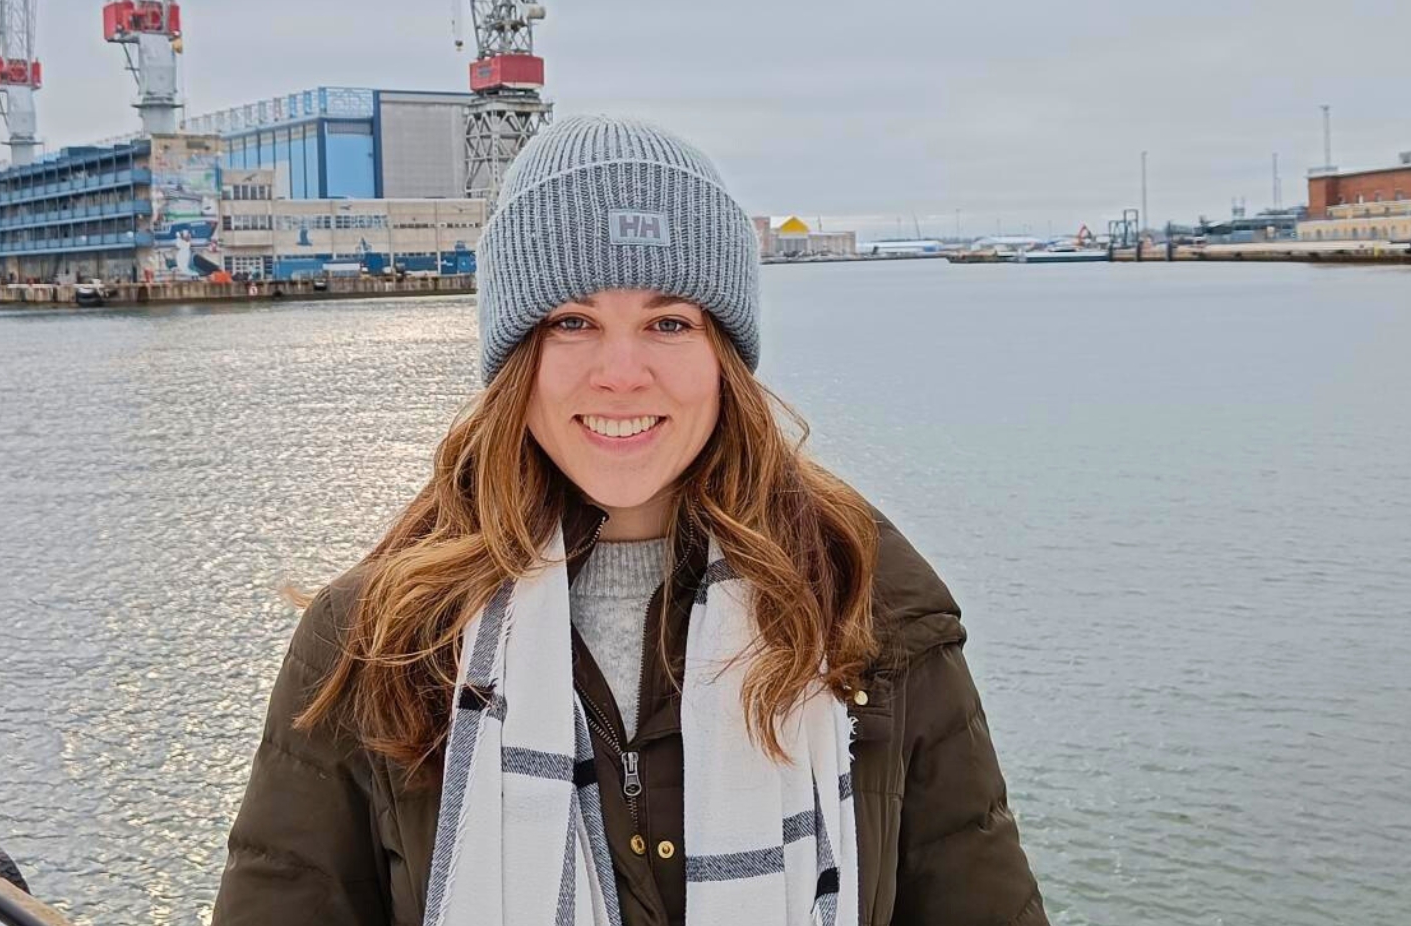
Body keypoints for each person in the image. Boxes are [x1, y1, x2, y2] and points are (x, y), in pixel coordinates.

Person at [212, 116, 1046, 926]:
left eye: (668, 323)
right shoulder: (377, 641)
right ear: (514, 358)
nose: (621, 373)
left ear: (726, 355)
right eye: (572, 322)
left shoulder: (870, 607)